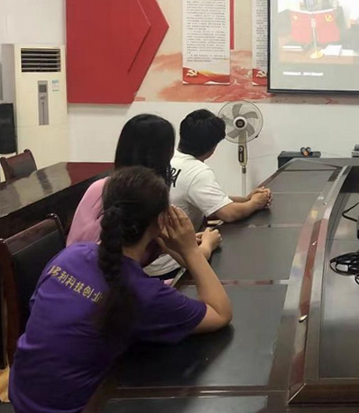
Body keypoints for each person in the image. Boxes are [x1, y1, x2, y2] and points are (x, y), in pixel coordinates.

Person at [9, 167, 233, 413]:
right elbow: (220, 312)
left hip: (22, 395)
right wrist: (189, 250)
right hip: (73, 408)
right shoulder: (145, 295)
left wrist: (163, 242)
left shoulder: (70, 256)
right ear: (161, 221)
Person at [67, 114, 221, 264]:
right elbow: (191, 260)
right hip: (109, 275)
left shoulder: (100, 186)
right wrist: (208, 243)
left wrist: (186, 242)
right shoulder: (146, 198)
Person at [146, 109, 272, 277]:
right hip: (171, 265)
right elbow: (229, 214)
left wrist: (245, 199)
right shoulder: (198, 172)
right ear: (213, 147)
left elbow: (207, 199)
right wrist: (256, 203)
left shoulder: (168, 158)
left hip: (149, 259)